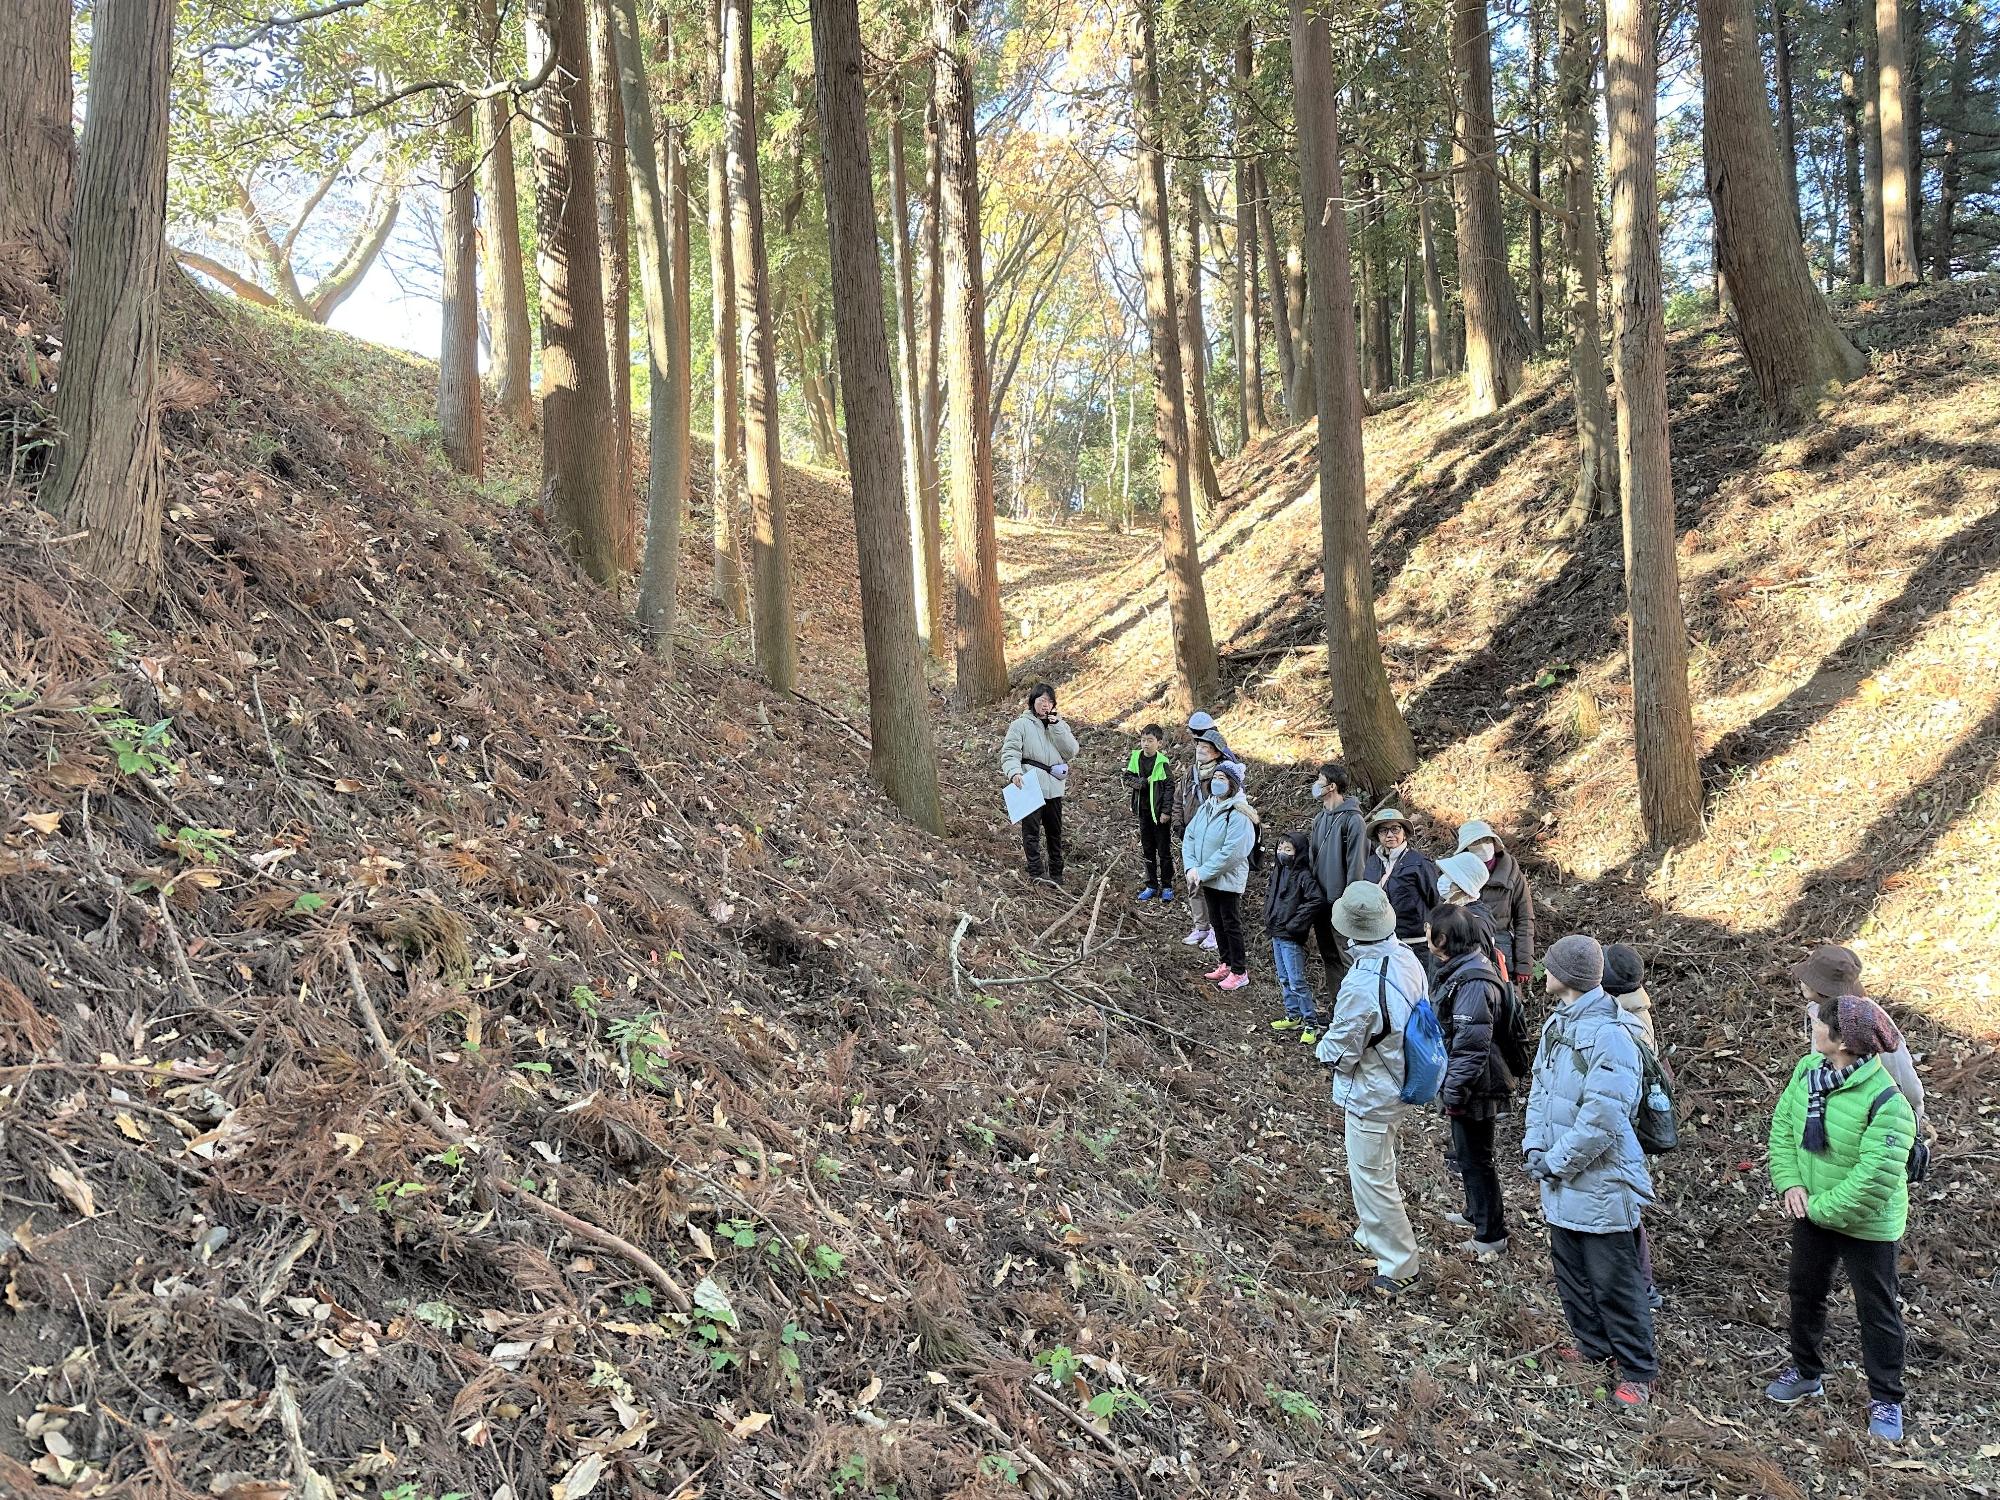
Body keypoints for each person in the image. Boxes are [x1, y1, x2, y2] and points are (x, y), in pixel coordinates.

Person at [1764, 994, 1915, 1443]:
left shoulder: (1889, 1103)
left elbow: (1875, 1181)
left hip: (1866, 1224)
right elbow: (1784, 1127)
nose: (1813, 1026)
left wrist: (1818, 1208)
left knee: (1877, 1310)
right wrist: (1791, 1184)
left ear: (1842, 1040)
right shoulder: (1808, 1072)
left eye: (1821, 1024)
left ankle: (1886, 1398)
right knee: (1805, 1293)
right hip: (1812, 1208)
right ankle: (1806, 1370)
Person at [1523, 935, 1657, 1408]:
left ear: (1570, 977)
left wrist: (1555, 1162)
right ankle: (1592, 1347)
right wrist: (1535, 1144)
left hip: (1600, 1180)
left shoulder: (1613, 1036)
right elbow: (1539, 1090)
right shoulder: (1556, 1026)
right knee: (1572, 1272)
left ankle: (1638, 1368)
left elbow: (1603, 1118)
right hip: (1561, 1177)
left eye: (1551, 966)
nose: (1544, 972)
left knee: (1614, 1278)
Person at [1316, 882, 1428, 1295]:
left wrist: (1321, 1049)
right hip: (1401, 1078)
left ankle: (1400, 1265)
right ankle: (1371, 1231)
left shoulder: (1363, 984)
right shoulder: (1405, 958)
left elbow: (1343, 1048)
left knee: (1372, 1176)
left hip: (1374, 1091)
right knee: (1380, 1165)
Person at [1430, 905, 1513, 1259]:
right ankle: (1474, 1211)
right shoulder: (1463, 968)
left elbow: (1471, 1046)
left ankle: (1491, 1233)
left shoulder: (1474, 981)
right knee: (1467, 1154)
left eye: (1429, 930)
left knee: (1478, 1157)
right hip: (1472, 1081)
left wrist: (1453, 1092)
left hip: (1479, 1084)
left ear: (1443, 938)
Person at [1789, 946, 1928, 1137]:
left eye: (1810, 977)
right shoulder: (1818, 1010)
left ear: (1823, 988)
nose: (1802, 980)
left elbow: (1907, 1088)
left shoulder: (1867, 1023)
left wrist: (1907, 1130)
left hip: (1864, 1130)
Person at [1604, 943, 1665, 1310]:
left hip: (1623, 1131)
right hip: (1621, 1128)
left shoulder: (1628, 1023)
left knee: (1623, 1208)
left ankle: (1642, 1287)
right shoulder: (1631, 1009)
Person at [1181, 761, 1256, 990]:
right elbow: (1191, 837)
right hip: (1206, 876)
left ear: (1232, 784)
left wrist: (1202, 871)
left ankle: (1239, 970)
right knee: (1217, 921)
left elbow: (1232, 852)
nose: (1216, 782)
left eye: (1222, 779)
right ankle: (1225, 962)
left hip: (1228, 880)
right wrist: (1191, 867)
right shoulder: (1208, 806)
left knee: (1230, 923)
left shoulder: (1239, 813)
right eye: (1216, 777)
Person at [1002, 682, 1081, 886]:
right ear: (1033, 702)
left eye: (1049, 701)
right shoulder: (1020, 725)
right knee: (1032, 832)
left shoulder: (1059, 725)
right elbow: (1010, 752)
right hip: (1029, 783)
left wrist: (1057, 727)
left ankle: (1056, 872)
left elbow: (1071, 751)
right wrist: (1014, 772)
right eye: (1041, 701)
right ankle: (1036, 871)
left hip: (1054, 788)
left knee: (1055, 832)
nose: (1045, 705)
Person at [1308, 764, 1367, 997]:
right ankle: (1336, 1006)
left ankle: (1355, 1008)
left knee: (1347, 957)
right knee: (1329, 956)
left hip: (1340, 904)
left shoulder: (1354, 821)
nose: (1316, 785)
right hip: (1319, 901)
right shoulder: (1319, 819)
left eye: (1320, 780)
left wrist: (1349, 902)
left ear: (1331, 786)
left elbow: (1356, 865)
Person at [1454, 820, 1535, 987]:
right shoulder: (1454, 875)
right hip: (1466, 952)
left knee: (1508, 1004)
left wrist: (1524, 963)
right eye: (1476, 842)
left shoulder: (1512, 873)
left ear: (1495, 842)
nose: (1483, 846)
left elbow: (1524, 919)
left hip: (1502, 952)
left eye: (1486, 840)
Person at [1174, 724, 1234, 949]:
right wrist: (1178, 823)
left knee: (1211, 884)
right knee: (1193, 883)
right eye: (1199, 745)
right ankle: (1201, 927)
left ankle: (1216, 931)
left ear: (1217, 752)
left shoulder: (1223, 775)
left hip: (1212, 838)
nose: (1201, 750)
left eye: (1206, 747)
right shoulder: (1191, 772)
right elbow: (1180, 797)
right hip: (1191, 836)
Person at [1364, 809, 1440, 979]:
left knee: (1422, 990)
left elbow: (1434, 899)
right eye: (1383, 831)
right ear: (1378, 836)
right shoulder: (1372, 863)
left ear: (1404, 833)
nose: (1390, 835)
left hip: (1418, 942)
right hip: (1385, 942)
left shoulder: (1419, 863)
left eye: (1395, 829)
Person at [1263, 831, 1326, 1030]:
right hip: (1276, 932)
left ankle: (1311, 1022)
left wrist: (1296, 923)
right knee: (1283, 978)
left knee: (1297, 979)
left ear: (1297, 852)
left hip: (1291, 935)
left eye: (1288, 849)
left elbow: (1316, 899)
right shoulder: (1279, 871)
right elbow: (1271, 896)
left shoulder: (1303, 875)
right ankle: (1293, 1015)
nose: (1282, 853)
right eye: (1280, 848)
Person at [1122, 723, 1176, 904]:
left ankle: (1167, 885)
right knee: (1147, 850)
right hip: (1143, 812)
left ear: (1158, 743)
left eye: (1150, 741)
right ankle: (1151, 884)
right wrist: (1142, 782)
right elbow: (1127, 778)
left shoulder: (1162, 763)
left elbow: (1170, 787)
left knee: (1164, 850)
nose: (1146, 744)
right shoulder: (1136, 757)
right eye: (1143, 740)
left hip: (1159, 815)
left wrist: (1166, 811)